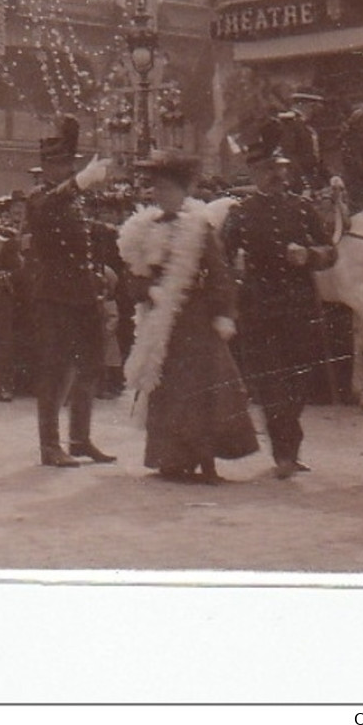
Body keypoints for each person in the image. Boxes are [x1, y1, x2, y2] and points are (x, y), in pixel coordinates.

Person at [117, 153, 259, 483]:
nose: (160, 195)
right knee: (168, 391)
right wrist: (147, 289)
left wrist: (224, 313)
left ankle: (207, 460)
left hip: (196, 319)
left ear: (183, 192)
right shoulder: (142, 229)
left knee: (204, 389)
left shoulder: (199, 228)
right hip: (162, 323)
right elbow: (132, 276)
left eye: (167, 189)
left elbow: (221, 274)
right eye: (156, 189)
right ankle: (172, 459)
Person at [223, 140, 338, 479]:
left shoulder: (303, 210)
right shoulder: (240, 214)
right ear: (255, 173)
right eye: (269, 170)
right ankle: (284, 455)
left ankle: (290, 447)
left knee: (299, 384)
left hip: (300, 311)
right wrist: (237, 271)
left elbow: (331, 252)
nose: (277, 175)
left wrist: (310, 255)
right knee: (272, 386)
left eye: (281, 168)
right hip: (260, 313)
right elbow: (221, 259)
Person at [24, 116, 115, 467]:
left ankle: (80, 439)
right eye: (59, 163)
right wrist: (77, 183)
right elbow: (49, 209)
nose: (64, 169)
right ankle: (50, 445)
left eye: (68, 164)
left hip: (82, 293)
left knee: (90, 367)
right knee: (55, 369)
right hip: (54, 296)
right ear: (46, 165)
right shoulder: (38, 198)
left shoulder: (74, 201)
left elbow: (87, 235)